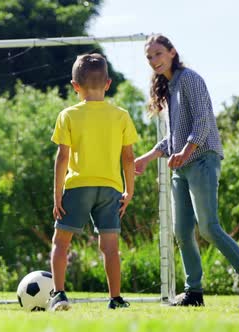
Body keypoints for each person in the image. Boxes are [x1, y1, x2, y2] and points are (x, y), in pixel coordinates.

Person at [135, 34, 239, 307]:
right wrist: (148, 157)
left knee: (208, 227)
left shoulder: (190, 79)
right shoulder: (169, 88)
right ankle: (194, 293)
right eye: (149, 57)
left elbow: (203, 122)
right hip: (182, 168)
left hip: (202, 160)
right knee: (183, 231)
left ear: (172, 52)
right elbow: (173, 139)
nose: (154, 61)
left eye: (158, 54)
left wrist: (185, 152)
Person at [48, 54, 138, 311]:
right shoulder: (121, 115)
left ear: (75, 86)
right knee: (110, 247)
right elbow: (129, 158)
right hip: (110, 188)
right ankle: (116, 298)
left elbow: (62, 157)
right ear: (108, 83)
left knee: (61, 242)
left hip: (77, 187)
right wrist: (128, 191)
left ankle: (60, 294)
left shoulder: (68, 115)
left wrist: (57, 194)